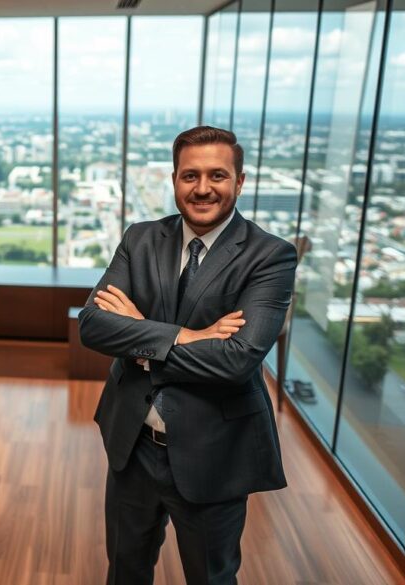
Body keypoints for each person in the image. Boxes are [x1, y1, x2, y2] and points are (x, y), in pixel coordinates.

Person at [78, 126, 297, 585]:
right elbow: (93, 325)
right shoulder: (140, 239)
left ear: (239, 181)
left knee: (211, 578)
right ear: (174, 179)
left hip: (212, 454)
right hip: (132, 445)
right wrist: (191, 336)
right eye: (189, 175)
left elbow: (237, 360)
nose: (202, 189)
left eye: (217, 175)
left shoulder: (269, 257)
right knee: (124, 570)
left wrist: (138, 336)